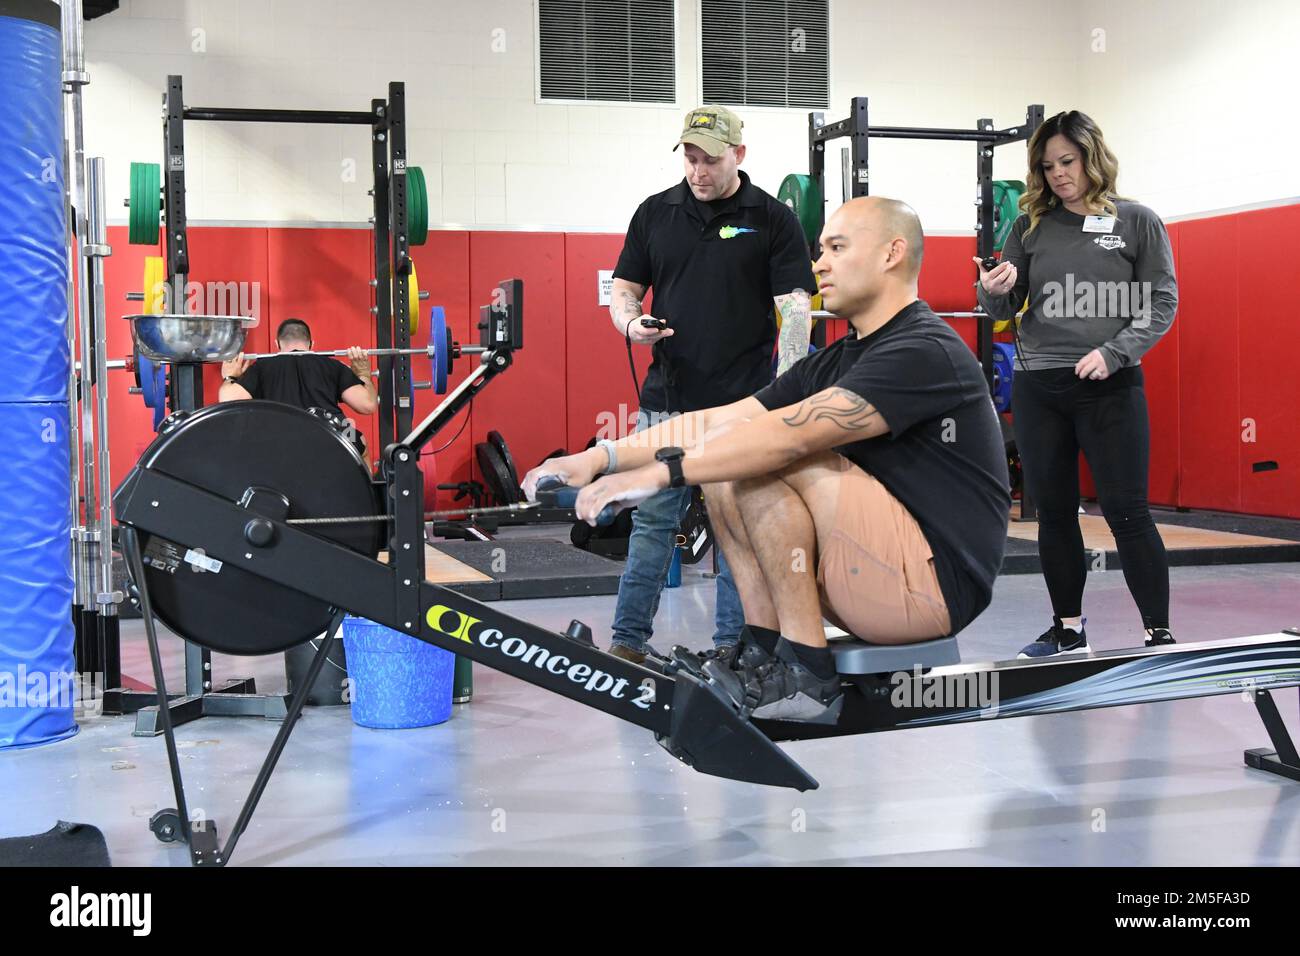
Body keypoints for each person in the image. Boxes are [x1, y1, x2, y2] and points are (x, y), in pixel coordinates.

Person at [524, 197, 1010, 722]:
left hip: (931, 590)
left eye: (837, 248)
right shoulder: (834, 360)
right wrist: (599, 457)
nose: (819, 263)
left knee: (761, 455)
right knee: (727, 461)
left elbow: (786, 437)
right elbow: (716, 419)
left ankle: (805, 673)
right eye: (819, 249)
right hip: (869, 575)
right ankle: (763, 651)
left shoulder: (923, 349)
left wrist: (658, 474)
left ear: (893, 253)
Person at [602, 104, 817, 666]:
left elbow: (794, 309)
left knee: (735, 530)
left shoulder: (772, 219)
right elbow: (623, 288)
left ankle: (732, 647)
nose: (699, 171)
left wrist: (788, 389)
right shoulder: (655, 214)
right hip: (667, 401)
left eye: (710, 160)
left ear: (738, 156)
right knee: (651, 521)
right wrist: (631, 322)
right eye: (691, 159)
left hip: (743, 404)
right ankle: (626, 643)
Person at [974, 110, 1177, 659]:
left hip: (1110, 385)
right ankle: (1067, 628)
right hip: (1041, 385)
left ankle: (1158, 633)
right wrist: (992, 289)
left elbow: (1162, 302)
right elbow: (1002, 306)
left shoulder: (1137, 221)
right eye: (1048, 165)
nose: (1059, 174)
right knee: (1055, 512)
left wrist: (1114, 354)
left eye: (1068, 161)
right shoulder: (1028, 225)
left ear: (1092, 157)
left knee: (1126, 510)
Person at [219, 318, 378, 419]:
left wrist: (229, 377)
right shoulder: (333, 366)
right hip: (327, 439)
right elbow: (367, 405)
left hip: (277, 441)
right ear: (311, 344)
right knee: (360, 448)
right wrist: (363, 374)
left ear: (277, 345)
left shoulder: (261, 367)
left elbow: (227, 400)